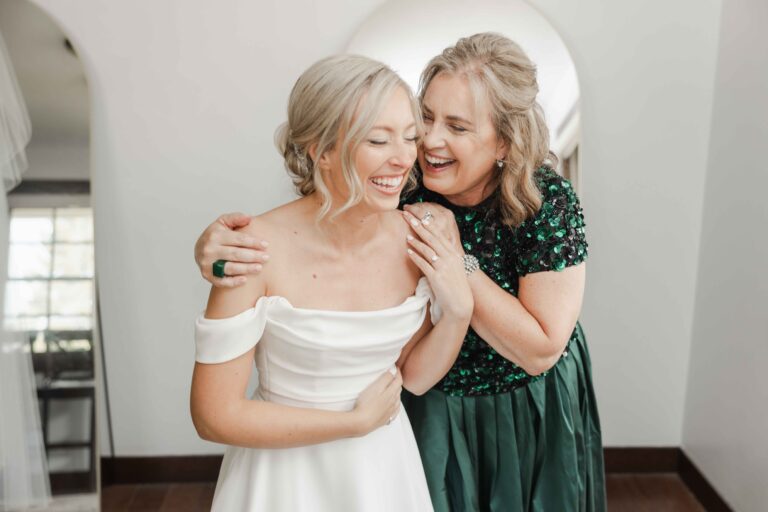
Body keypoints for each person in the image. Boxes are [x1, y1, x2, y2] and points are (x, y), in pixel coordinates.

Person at [195, 33, 606, 511]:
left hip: (525, 400)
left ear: (505, 142)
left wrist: (455, 270)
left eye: (456, 126)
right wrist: (214, 247)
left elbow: (540, 350)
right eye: (425, 119)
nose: (426, 143)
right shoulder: (403, 183)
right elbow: (324, 213)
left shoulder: (543, 202)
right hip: (421, 407)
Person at [190, 54, 475, 512]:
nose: (405, 159)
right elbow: (213, 415)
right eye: (379, 139)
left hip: (384, 470)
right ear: (320, 150)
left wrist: (459, 311)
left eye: (409, 137)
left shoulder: (423, 233)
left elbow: (415, 377)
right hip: (281, 477)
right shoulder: (250, 250)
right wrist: (352, 424)